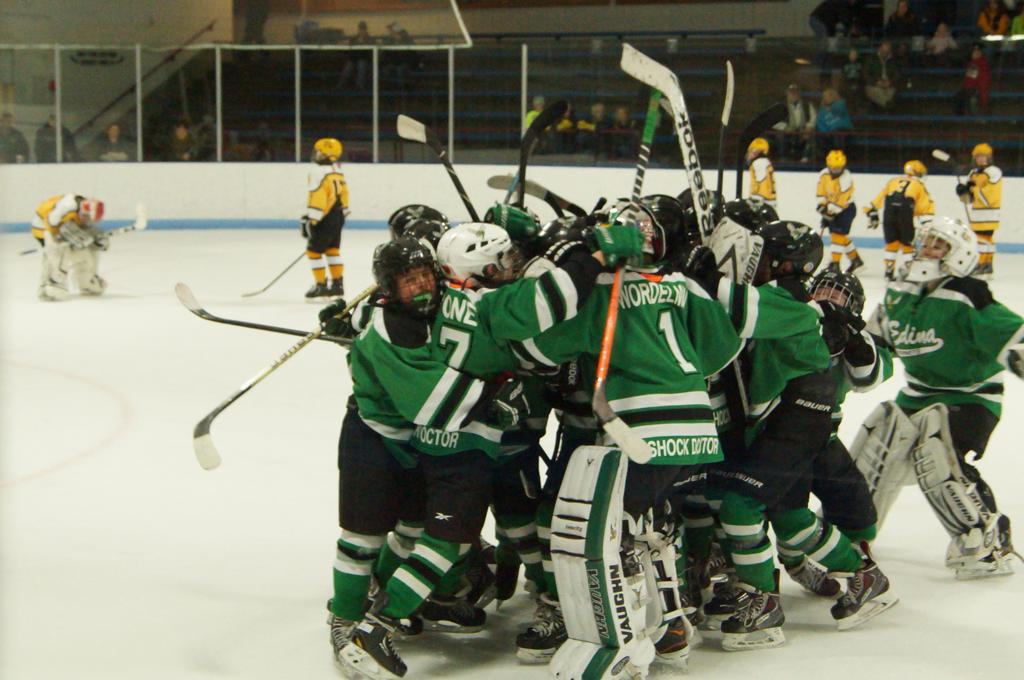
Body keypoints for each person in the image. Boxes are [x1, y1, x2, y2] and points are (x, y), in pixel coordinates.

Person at [325, 236, 533, 670]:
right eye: (408, 281)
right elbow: (430, 398)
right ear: (389, 288)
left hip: (415, 440)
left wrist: (348, 322)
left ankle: (409, 600)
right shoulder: (392, 328)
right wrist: (493, 397)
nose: (420, 286)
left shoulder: (426, 307)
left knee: (414, 528)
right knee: (362, 537)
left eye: (424, 276)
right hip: (372, 437)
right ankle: (345, 617)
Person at [700, 220, 896, 649]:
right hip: (789, 420)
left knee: (739, 506)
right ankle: (863, 576)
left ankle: (763, 603)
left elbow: (738, 308)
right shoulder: (791, 298)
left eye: (765, 253)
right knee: (789, 517)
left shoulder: (788, 297)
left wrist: (700, 273)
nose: (757, 258)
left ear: (788, 263)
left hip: (797, 419)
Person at [867, 216, 1021, 579]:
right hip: (915, 396)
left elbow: (1011, 336)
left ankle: (987, 538)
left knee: (937, 451)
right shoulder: (899, 293)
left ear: (959, 254)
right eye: (925, 242)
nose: (927, 250)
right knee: (876, 446)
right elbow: (874, 344)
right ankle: (854, 527)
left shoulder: (968, 295)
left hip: (971, 398)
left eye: (938, 244)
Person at [865, 160, 934, 281]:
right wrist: (927, 222)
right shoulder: (918, 184)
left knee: (891, 243)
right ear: (918, 173)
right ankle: (908, 270)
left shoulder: (893, 181)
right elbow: (924, 206)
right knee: (907, 244)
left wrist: (872, 212)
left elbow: (880, 197)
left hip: (889, 213)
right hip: (905, 213)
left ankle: (889, 271)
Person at [32, 194, 108, 301]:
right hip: (44, 228)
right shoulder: (67, 207)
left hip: (65, 226)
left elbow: (86, 226)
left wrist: (96, 237)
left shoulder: (83, 208)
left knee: (88, 249)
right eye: (86, 217)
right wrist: (72, 236)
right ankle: (53, 282)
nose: (88, 220)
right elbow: (52, 225)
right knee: (60, 249)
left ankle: (86, 281)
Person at [301, 137, 348, 299]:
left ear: (328, 154)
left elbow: (318, 196)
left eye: (320, 152)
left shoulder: (317, 172)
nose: (317, 155)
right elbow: (345, 194)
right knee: (332, 250)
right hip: (338, 215)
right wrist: (344, 212)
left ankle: (320, 286)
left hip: (323, 217)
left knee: (313, 252)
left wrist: (312, 219)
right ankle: (337, 285)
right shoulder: (337, 171)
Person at [958, 143, 1002, 277]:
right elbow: (969, 198)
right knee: (986, 238)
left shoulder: (994, 172)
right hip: (977, 212)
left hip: (990, 211)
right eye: (978, 156)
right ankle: (987, 265)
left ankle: (982, 263)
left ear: (989, 157)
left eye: (984, 156)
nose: (981, 159)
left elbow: (990, 194)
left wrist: (972, 189)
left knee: (982, 238)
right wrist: (962, 191)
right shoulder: (973, 173)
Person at [817, 149, 862, 274]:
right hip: (832, 208)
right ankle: (856, 260)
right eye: (833, 168)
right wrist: (822, 206)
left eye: (838, 168)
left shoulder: (846, 178)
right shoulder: (823, 174)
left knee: (837, 235)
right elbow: (821, 192)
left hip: (846, 209)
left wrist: (828, 212)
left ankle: (835, 264)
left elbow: (842, 200)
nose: (836, 171)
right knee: (840, 236)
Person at [775, 84, 816, 161]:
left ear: (799, 93)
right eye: (791, 92)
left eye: (795, 92)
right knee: (781, 137)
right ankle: (784, 159)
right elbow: (774, 120)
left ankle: (806, 158)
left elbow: (813, 117)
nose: (793, 94)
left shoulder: (806, 104)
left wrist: (809, 127)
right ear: (787, 93)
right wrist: (785, 127)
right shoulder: (780, 105)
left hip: (803, 130)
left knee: (812, 137)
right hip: (786, 131)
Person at [953, 44, 991, 116]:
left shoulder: (980, 63)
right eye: (974, 52)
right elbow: (970, 78)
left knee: (962, 96)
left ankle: (967, 114)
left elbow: (978, 78)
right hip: (972, 87)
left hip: (976, 87)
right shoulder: (973, 63)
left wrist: (973, 88)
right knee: (959, 95)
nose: (975, 54)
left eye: (977, 52)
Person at [814, 87, 853, 155]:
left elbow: (840, 111)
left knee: (838, 134)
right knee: (820, 136)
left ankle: (839, 156)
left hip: (843, 129)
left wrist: (831, 107)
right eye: (825, 96)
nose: (826, 98)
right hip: (830, 132)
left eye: (829, 95)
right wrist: (825, 132)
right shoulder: (822, 110)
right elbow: (820, 122)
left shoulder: (840, 103)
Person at [864, 41, 900, 111]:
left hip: (888, 85)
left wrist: (890, 82)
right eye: (884, 51)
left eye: (887, 52)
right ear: (880, 49)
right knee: (875, 91)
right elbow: (865, 74)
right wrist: (876, 82)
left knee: (891, 91)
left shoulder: (894, 60)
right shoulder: (871, 59)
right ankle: (887, 104)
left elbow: (897, 74)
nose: (885, 53)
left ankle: (885, 104)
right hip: (874, 84)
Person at [745, 137, 776, 208]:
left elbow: (760, 182)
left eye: (751, 150)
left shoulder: (758, 162)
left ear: (757, 151)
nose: (749, 153)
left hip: (761, 199)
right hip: (770, 199)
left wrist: (753, 200)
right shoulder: (766, 161)